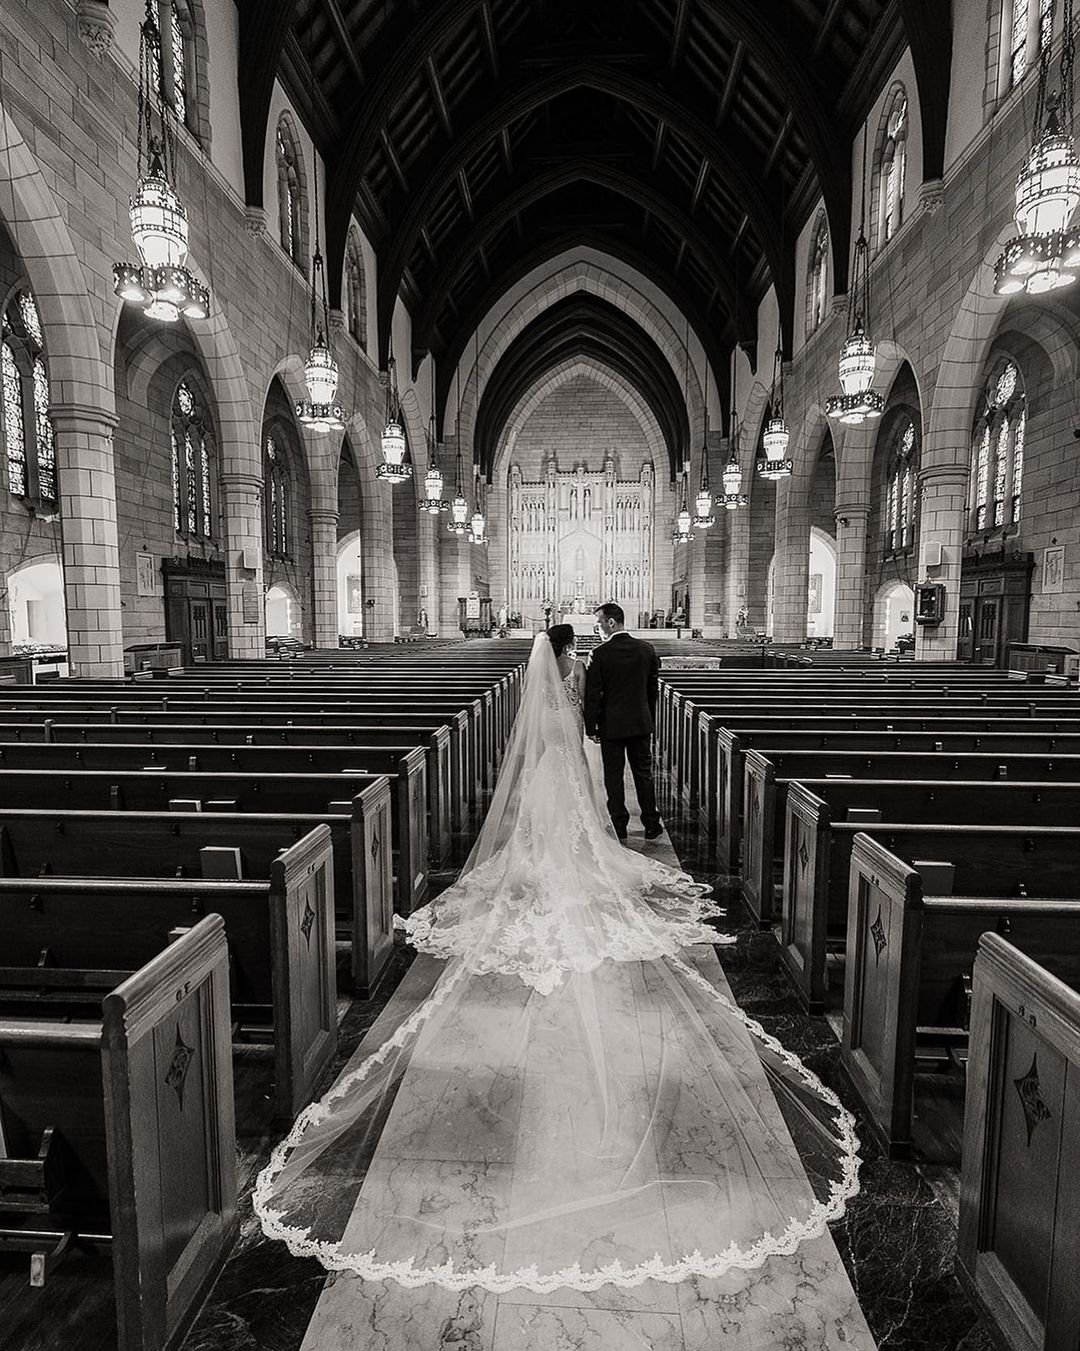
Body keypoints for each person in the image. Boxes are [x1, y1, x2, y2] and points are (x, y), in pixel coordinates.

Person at [254, 631, 860, 1296]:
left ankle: (545, 868)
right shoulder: (575, 692)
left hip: (548, 792)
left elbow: (558, 747)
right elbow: (575, 749)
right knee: (577, 840)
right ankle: (577, 859)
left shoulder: (559, 689)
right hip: (569, 783)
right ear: (569, 658)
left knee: (540, 841)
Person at [584, 601, 662, 840]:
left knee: (613, 775)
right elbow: (652, 690)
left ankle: (619, 824)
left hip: (612, 724)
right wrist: (648, 717)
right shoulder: (646, 649)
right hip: (640, 722)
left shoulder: (599, 654)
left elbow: (593, 694)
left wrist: (591, 726)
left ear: (610, 622)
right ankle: (651, 823)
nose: (597, 628)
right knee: (643, 773)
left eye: (599, 623)